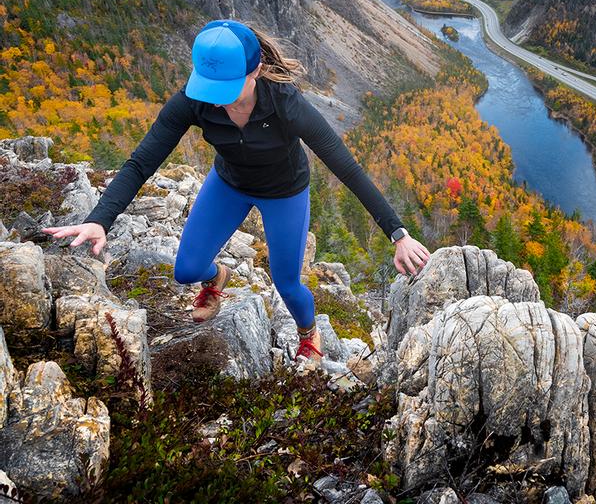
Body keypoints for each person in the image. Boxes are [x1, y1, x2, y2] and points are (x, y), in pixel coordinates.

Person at [43, 19, 430, 364]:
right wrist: (100, 219)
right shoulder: (194, 101)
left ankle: (308, 334)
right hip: (229, 184)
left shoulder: (285, 103)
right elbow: (142, 161)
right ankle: (217, 278)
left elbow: (345, 166)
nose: (214, 98)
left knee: (288, 284)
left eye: (225, 87)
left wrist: (397, 233)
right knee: (187, 271)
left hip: (284, 193)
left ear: (256, 71)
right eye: (209, 87)